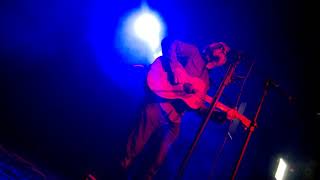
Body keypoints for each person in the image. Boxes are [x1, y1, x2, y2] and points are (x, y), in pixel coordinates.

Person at [120, 36, 232, 180]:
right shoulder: (193, 53)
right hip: (158, 106)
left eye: (225, 53)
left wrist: (222, 116)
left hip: (174, 121)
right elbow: (168, 43)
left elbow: (197, 107)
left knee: (156, 163)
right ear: (213, 46)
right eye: (221, 48)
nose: (223, 52)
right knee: (133, 148)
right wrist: (176, 69)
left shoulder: (206, 82)